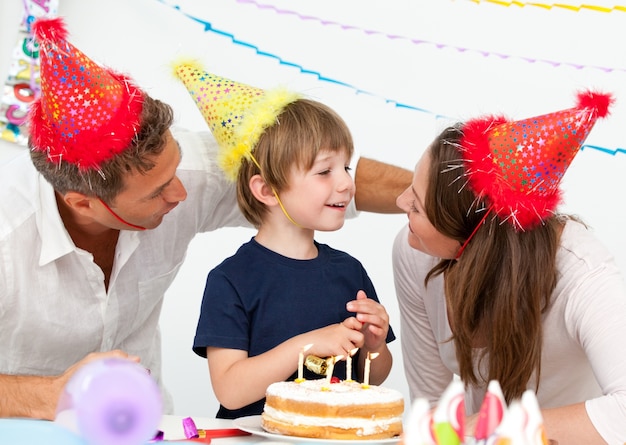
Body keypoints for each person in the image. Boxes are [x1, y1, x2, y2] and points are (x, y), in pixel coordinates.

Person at [0, 18, 411, 420]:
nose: (181, 193)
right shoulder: (8, 232)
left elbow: (320, 177)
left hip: (147, 425)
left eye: (176, 171)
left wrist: (435, 201)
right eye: (158, 192)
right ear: (83, 203)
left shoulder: (185, 172)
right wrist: (48, 395)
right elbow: (231, 389)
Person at [392, 91, 625, 444]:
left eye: (418, 207)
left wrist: (498, 426)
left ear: (476, 245)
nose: (399, 202)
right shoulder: (416, 253)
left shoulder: (585, 278)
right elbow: (434, 403)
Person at [171, 62, 395, 419]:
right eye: (324, 171)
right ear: (266, 189)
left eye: (346, 168)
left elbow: (374, 376)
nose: (346, 184)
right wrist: (307, 345)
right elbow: (230, 391)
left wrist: (374, 345)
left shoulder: (350, 272)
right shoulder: (230, 280)